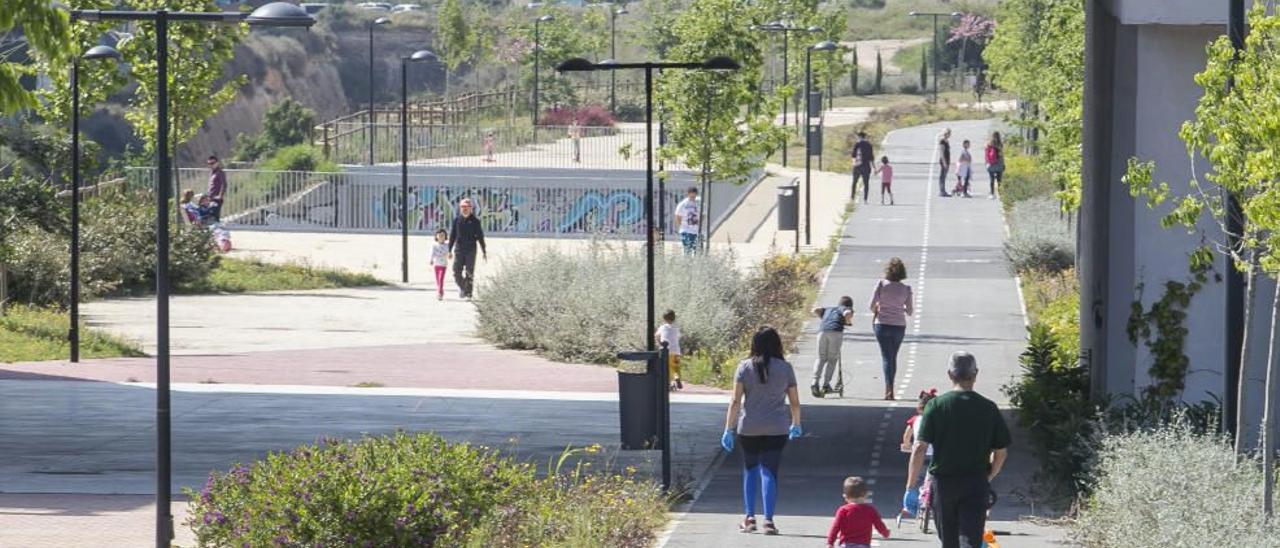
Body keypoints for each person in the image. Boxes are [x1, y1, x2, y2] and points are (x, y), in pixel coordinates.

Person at [907, 352, 1011, 548]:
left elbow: (920, 447)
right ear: (976, 374)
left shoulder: (936, 406)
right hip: (975, 481)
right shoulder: (988, 408)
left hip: (944, 483)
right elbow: (1001, 452)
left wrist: (910, 487)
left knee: (949, 540)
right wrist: (989, 475)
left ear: (949, 374)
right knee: (971, 539)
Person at [720, 326, 803, 536]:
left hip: (749, 427)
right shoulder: (785, 368)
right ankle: (768, 521)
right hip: (777, 427)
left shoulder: (744, 367)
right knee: (769, 471)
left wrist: (728, 429)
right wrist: (796, 423)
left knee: (750, 470)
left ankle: (749, 518)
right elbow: (794, 401)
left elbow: (735, 400)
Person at [869, 257, 912, 400]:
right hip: (899, 325)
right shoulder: (906, 289)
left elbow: (871, 305)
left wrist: (879, 307)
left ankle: (889, 389)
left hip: (881, 323)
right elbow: (910, 311)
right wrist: (901, 307)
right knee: (892, 356)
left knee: (886, 356)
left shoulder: (881, 285)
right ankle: (891, 387)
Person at [897, 388, 939, 527]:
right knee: (933, 480)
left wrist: (907, 445)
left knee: (916, 480)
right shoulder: (940, 420)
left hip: (919, 455)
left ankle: (914, 503)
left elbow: (907, 437)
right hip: (937, 456)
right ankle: (932, 502)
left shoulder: (915, 420)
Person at [827, 476, 890, 548]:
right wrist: (885, 533)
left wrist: (830, 543)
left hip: (845, 545)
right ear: (866, 495)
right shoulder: (870, 510)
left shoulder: (843, 510)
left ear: (845, 497)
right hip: (863, 545)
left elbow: (835, 527)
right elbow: (879, 524)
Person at [810, 296, 854, 398]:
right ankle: (826, 384)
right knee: (832, 359)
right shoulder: (845, 308)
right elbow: (847, 313)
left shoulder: (829, 309)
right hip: (835, 332)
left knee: (821, 358)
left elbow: (816, 310)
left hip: (822, 332)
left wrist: (822, 316)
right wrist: (848, 322)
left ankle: (814, 382)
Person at [448, 198, 486, 299]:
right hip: (459, 249)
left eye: (467, 207)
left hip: (471, 249)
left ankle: (468, 293)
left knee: (469, 272)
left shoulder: (475, 221)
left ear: (471, 208)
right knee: (456, 271)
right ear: (460, 208)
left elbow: (480, 236)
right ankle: (464, 288)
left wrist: (484, 251)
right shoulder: (457, 220)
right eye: (463, 207)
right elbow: (453, 235)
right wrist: (449, 250)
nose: (465, 209)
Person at [656, 309, 684, 390]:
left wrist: (660, 343)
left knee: (667, 368)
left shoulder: (662, 327)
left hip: (666, 352)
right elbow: (678, 337)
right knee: (675, 367)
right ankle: (676, 377)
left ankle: (668, 385)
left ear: (664, 319)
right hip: (676, 352)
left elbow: (657, 335)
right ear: (674, 318)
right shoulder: (676, 328)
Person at [674, 187, 702, 254]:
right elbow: (677, 216)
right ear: (688, 194)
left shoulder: (698, 203)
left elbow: (703, 214)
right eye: (691, 196)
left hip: (695, 230)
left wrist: (699, 223)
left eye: (694, 196)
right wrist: (681, 227)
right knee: (687, 249)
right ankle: (687, 263)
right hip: (686, 230)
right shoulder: (683, 204)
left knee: (696, 250)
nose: (693, 198)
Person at [851, 131, 874, 203]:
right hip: (866, 166)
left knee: (855, 182)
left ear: (859, 137)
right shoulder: (869, 145)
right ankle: (865, 199)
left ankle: (852, 198)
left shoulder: (857, 144)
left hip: (858, 166)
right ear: (865, 137)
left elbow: (853, 155)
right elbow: (871, 157)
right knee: (866, 183)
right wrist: (874, 167)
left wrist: (854, 163)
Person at [430, 228, 449, 301]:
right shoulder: (434, 245)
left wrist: (450, 255)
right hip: (436, 264)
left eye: (443, 236)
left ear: (445, 237)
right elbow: (432, 253)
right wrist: (431, 260)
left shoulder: (447, 245)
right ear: (436, 236)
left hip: (443, 265)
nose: (441, 237)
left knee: (441, 279)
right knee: (438, 280)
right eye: (440, 235)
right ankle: (441, 290)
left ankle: (440, 293)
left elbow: (449, 253)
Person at [206, 155, 227, 221]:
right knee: (211, 216)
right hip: (211, 198)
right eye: (209, 164)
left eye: (212, 163)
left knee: (215, 217)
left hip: (216, 198)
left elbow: (224, 184)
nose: (211, 165)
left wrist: (220, 195)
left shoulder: (220, 172)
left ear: (217, 163)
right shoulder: (212, 173)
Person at [985, 132, 1004, 199]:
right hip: (999, 164)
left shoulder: (989, 144)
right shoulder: (1000, 144)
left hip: (991, 164)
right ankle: (1000, 194)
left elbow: (986, 155)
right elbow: (1001, 156)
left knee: (991, 179)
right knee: (999, 180)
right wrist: (1003, 164)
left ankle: (992, 193)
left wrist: (987, 163)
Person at [937, 129, 952, 197]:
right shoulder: (942, 141)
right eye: (948, 133)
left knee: (944, 176)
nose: (949, 135)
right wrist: (944, 162)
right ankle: (941, 191)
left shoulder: (947, 141)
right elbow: (941, 153)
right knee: (942, 176)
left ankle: (943, 190)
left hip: (947, 160)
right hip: (944, 161)